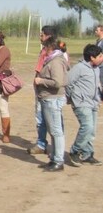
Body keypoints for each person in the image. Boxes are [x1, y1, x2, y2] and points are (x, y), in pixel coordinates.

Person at [34, 38, 69, 171]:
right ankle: (54, 158)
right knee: (54, 131)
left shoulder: (55, 62)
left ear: (50, 48)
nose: (43, 50)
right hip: (49, 98)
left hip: (52, 99)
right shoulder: (54, 60)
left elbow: (57, 82)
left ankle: (58, 161)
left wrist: (41, 81)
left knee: (56, 131)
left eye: (45, 48)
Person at [67, 44, 103, 166]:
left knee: (92, 130)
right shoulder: (79, 68)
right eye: (100, 56)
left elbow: (97, 86)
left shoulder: (96, 68)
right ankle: (75, 151)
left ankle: (87, 154)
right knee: (87, 126)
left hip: (93, 103)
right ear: (92, 57)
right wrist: (71, 98)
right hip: (81, 103)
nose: (102, 57)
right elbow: (68, 83)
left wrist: (98, 99)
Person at [27, 26, 57, 155]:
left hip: (48, 90)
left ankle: (54, 148)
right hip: (40, 88)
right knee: (40, 118)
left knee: (51, 119)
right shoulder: (43, 51)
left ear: (48, 36)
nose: (40, 37)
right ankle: (41, 144)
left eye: (42, 35)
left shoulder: (53, 53)